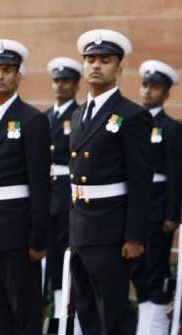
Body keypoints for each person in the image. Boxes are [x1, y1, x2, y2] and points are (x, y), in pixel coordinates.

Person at [69, 29, 152, 335]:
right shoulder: (78, 115)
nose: (96, 66)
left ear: (119, 69)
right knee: (87, 310)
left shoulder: (132, 115)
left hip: (112, 231)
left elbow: (141, 181)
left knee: (113, 313)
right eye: (90, 59)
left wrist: (135, 236)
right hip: (81, 229)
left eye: (105, 60)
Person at [0, 39, 50, 335]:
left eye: (7, 70)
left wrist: (38, 236)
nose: (0, 75)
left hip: (18, 230)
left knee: (24, 309)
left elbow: (40, 181)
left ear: (19, 76)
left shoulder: (32, 120)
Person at [133, 59, 182, 335]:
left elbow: (176, 175)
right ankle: (144, 324)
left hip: (157, 207)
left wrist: (172, 214)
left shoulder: (171, 128)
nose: (148, 91)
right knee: (137, 269)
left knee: (155, 268)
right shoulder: (131, 122)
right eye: (145, 85)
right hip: (135, 208)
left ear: (166, 93)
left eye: (155, 87)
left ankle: (156, 327)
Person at [44, 57, 82, 317]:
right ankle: (53, 311)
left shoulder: (78, 115)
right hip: (47, 192)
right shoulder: (44, 117)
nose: (60, 86)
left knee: (67, 254)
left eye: (66, 81)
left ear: (76, 85)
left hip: (68, 192)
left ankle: (65, 313)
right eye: (56, 80)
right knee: (49, 255)